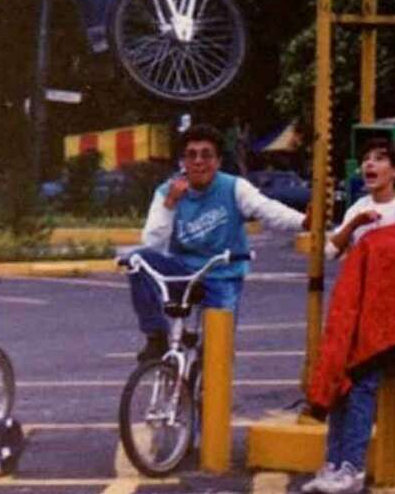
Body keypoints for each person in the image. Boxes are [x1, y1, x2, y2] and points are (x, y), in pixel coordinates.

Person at [303, 136, 395, 494]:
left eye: (379, 159)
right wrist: (354, 227)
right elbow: (328, 250)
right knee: (340, 383)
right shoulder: (359, 207)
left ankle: (352, 467)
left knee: (363, 385)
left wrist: (379, 246)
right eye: (366, 159)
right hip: (355, 312)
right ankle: (333, 463)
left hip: (387, 320)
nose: (369, 165)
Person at [129, 124, 310, 361]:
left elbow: (267, 210)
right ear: (182, 161)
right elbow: (152, 241)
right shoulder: (167, 191)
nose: (199, 161)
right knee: (138, 260)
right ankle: (157, 337)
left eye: (207, 155)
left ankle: (207, 385)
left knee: (217, 352)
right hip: (184, 274)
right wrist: (171, 203)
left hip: (223, 274)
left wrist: (304, 221)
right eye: (191, 155)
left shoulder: (233, 187)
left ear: (218, 161)